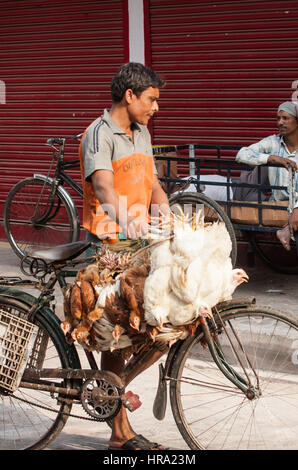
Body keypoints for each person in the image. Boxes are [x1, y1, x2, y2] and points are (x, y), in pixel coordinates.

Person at [79, 62, 170, 450]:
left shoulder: (142, 132)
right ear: (129, 96)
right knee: (116, 338)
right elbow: (103, 187)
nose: (156, 108)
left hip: (139, 244)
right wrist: (127, 219)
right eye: (151, 99)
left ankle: (109, 391)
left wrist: (162, 203)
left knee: (165, 328)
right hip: (108, 245)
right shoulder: (99, 134)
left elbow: (149, 180)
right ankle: (119, 432)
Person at [235, 101, 298, 251]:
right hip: (279, 202)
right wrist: (271, 158)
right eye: (278, 119)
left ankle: (285, 230)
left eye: (285, 118)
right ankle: (286, 230)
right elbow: (241, 154)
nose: (280, 122)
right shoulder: (273, 143)